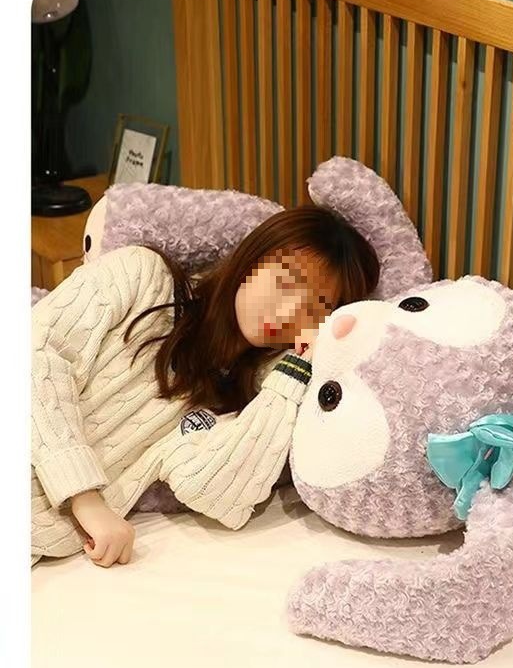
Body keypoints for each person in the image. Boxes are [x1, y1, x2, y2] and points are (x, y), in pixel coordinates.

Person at [31, 206, 380, 568]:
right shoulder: (142, 276)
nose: (288, 313)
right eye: (286, 280)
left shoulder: (245, 399)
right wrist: (85, 498)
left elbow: (219, 495)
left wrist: (296, 369)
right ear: (253, 258)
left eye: (315, 308)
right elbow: (34, 352)